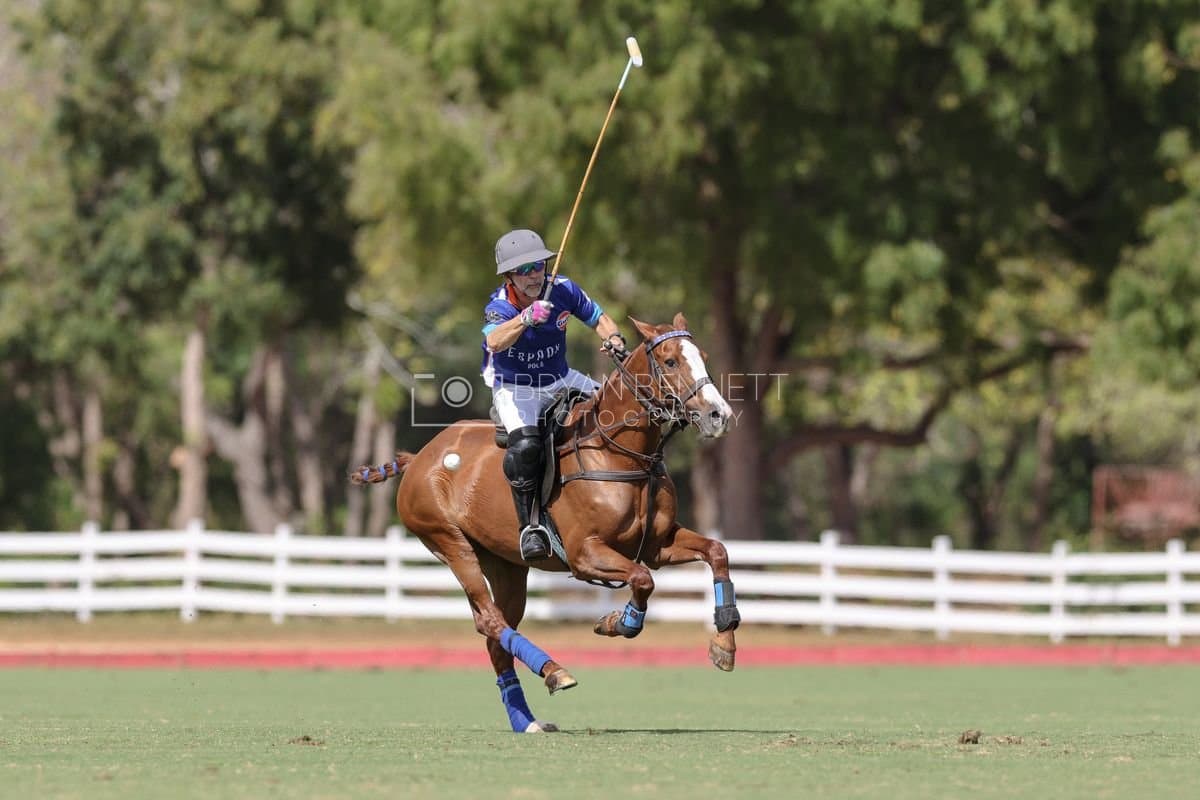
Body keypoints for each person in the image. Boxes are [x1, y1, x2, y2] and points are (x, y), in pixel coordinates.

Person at [481, 228, 627, 562]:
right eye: (524, 270)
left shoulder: (563, 289)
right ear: (509, 276)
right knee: (528, 445)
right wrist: (526, 318)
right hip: (516, 387)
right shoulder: (500, 306)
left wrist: (614, 338)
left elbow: (598, 317)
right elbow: (494, 342)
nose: (534, 275)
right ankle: (529, 527)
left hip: (561, 378)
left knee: (622, 407)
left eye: (538, 265)